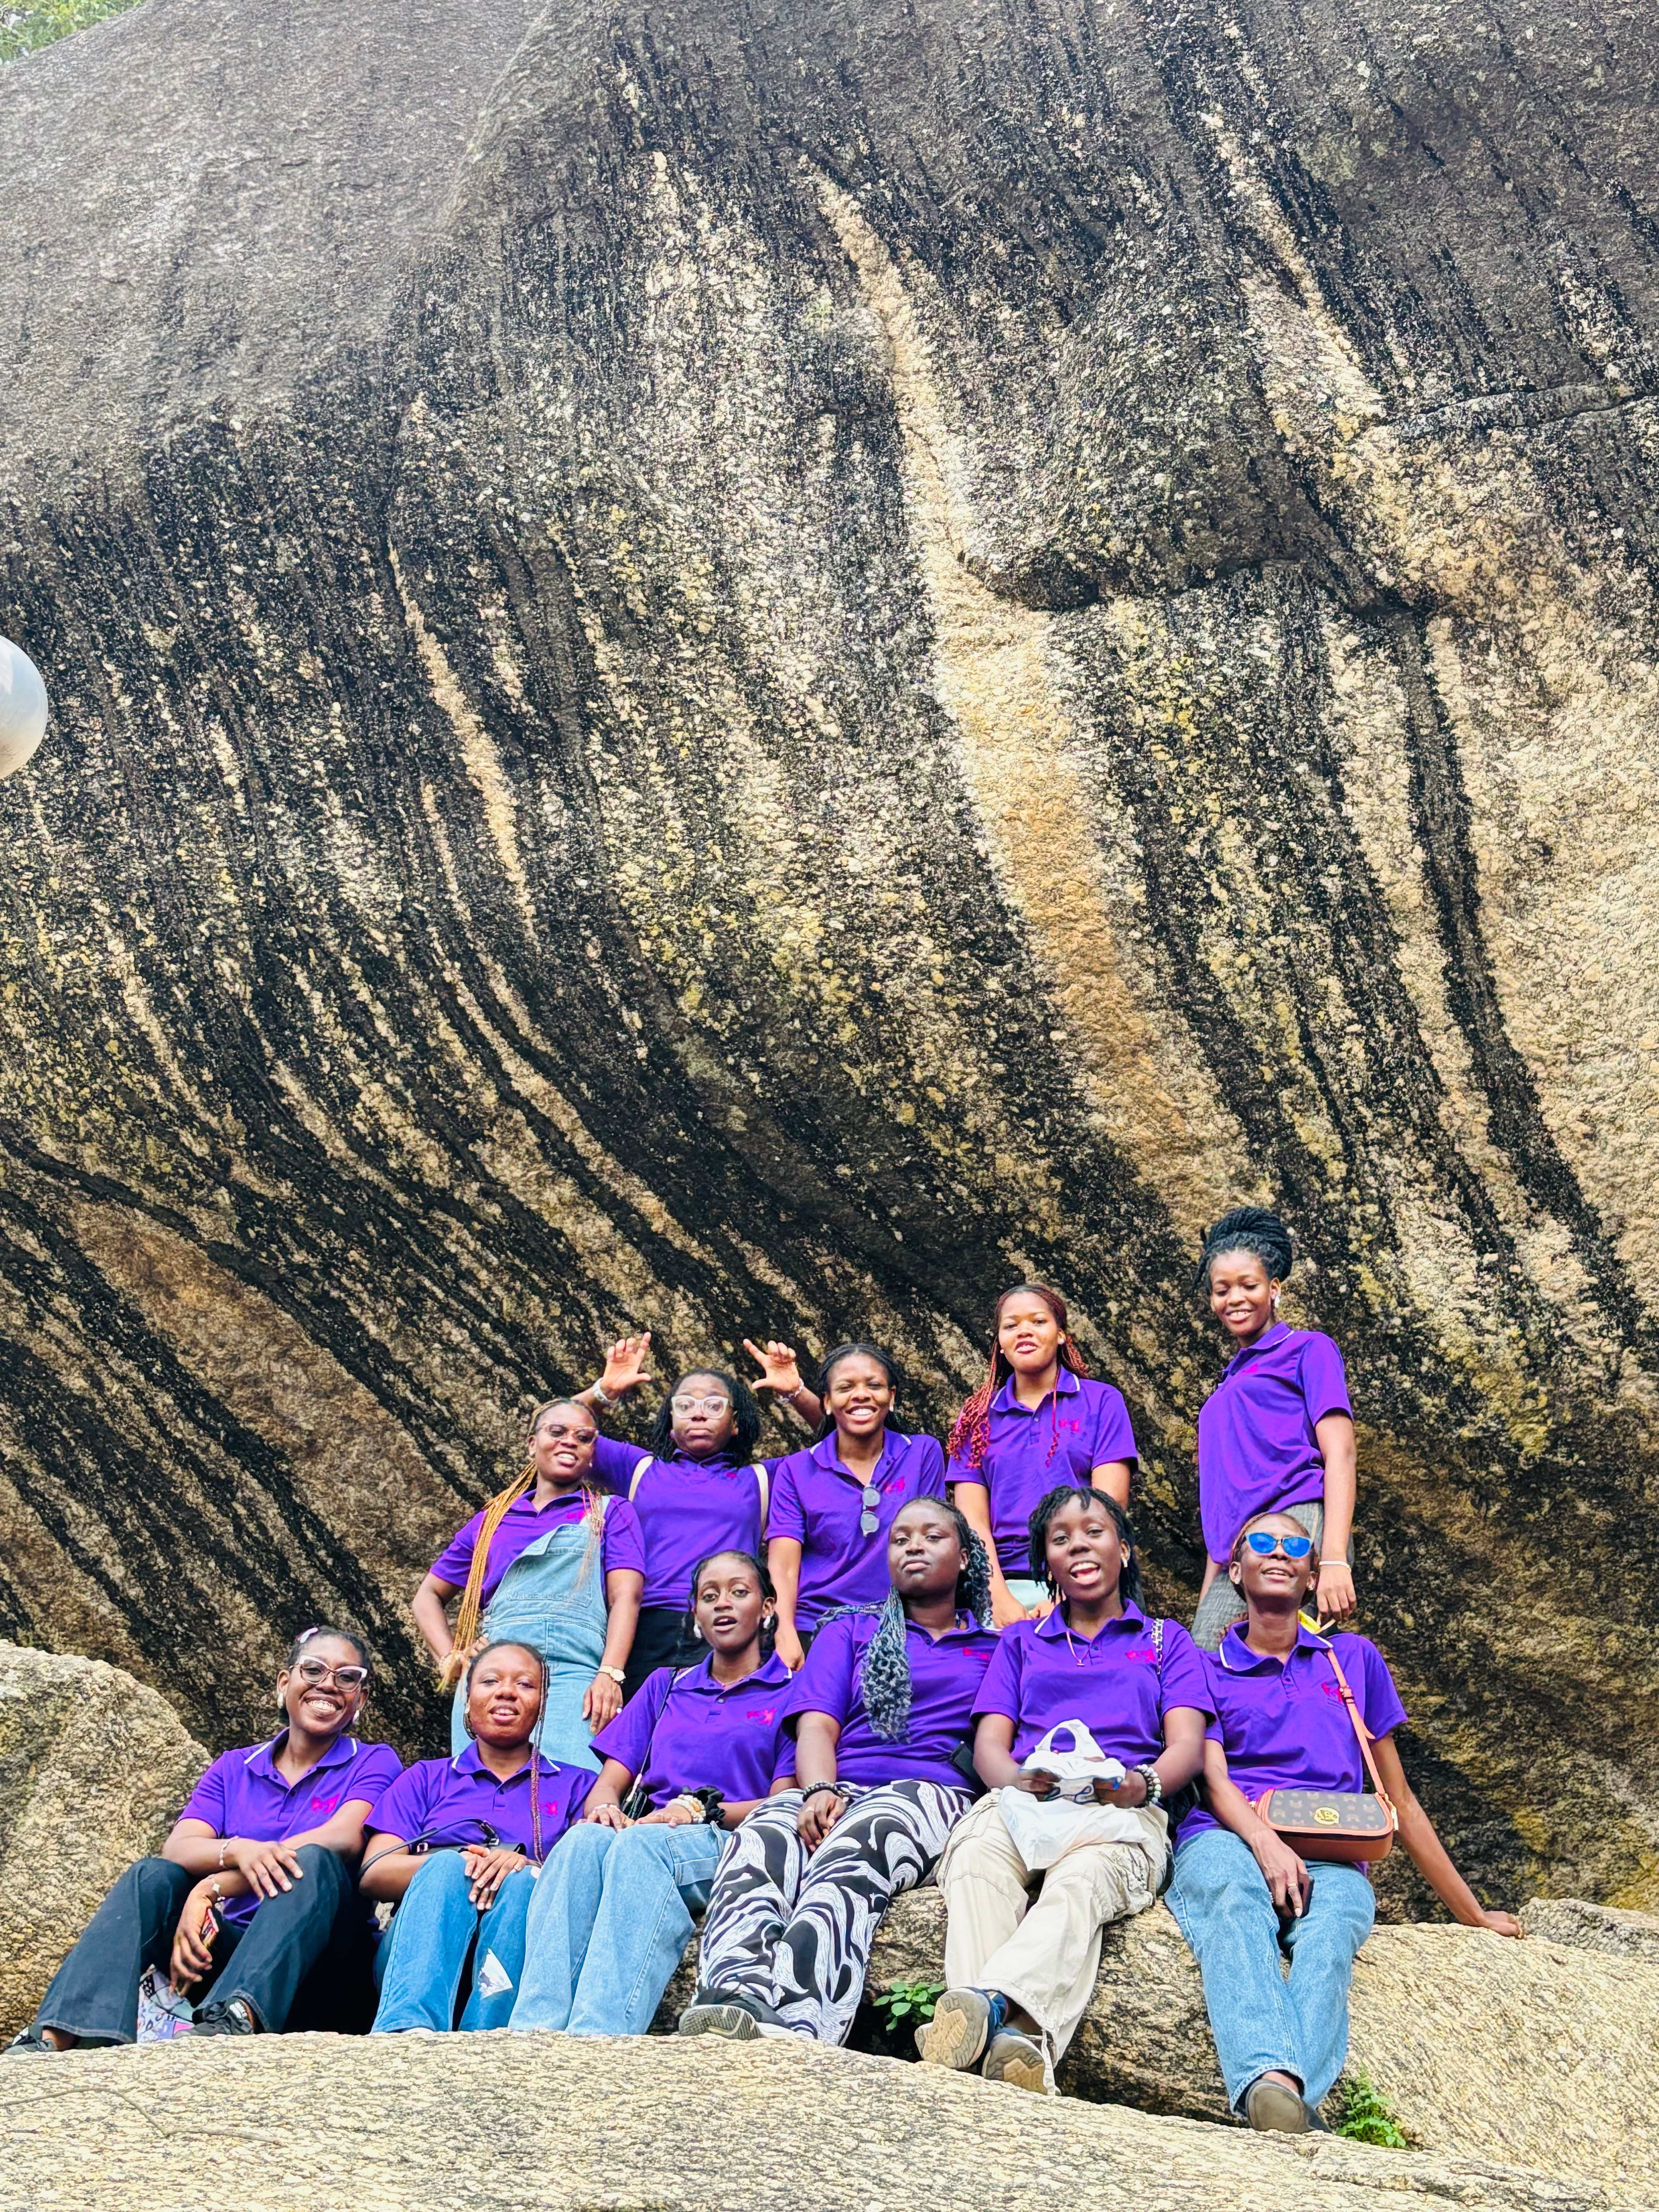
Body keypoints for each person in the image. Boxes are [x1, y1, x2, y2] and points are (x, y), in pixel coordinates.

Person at [1166, 1511, 1521, 2131]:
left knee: (1330, 1936)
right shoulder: (1204, 1666)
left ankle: (1282, 2100)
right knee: (1232, 1899)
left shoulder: (1350, 1659)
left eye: (1296, 1544)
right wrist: (1267, 1845)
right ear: (1235, 1568)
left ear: (1311, 1574)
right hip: (1227, 1834)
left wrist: (1474, 1915)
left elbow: (1400, 1800)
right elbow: (1215, 1781)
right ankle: (1275, 2084)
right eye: (1263, 1543)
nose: (1280, 1553)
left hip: (1335, 1850)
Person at [919, 1486, 1210, 2095]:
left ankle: (985, 2011)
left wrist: (1143, 1784)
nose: (1078, 1544)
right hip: (1030, 1800)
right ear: (1046, 1564)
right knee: (975, 1858)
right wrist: (1017, 1782)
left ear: (1125, 1551)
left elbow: (1187, 1745)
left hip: (1122, 1806)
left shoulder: (1165, 1640)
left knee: (1079, 1884)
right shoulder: (1022, 1642)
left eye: (1095, 1532)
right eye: (1060, 1538)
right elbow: (989, 1749)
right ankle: (1016, 2046)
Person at [677, 1496, 996, 2047]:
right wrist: (818, 1789)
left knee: (860, 1843)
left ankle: (801, 2027)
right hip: (840, 1783)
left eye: (932, 1537)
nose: (913, 1546)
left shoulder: (1001, 1647)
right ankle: (734, 1998)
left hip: (934, 1791)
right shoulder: (850, 1631)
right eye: (900, 1539)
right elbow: (817, 1727)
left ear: (966, 1558)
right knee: (764, 1833)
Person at [9, 1629, 401, 2048]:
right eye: (314, 1670)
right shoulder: (235, 1767)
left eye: (347, 1678)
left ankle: (236, 2018)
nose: (328, 1684)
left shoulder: (375, 1762)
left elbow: (343, 1837)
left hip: (324, 1970)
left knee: (316, 1859)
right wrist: (238, 1851)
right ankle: (63, 2032)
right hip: (232, 1959)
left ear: (360, 1698)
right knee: (151, 1877)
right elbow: (180, 1847)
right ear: (285, 1683)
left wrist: (211, 1888)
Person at [509, 1549, 795, 2036]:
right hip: (647, 1830)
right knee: (581, 1842)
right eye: (710, 1596)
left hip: (727, 1839)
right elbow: (609, 1785)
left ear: (768, 1608)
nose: (723, 1605)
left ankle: (598, 2035)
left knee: (642, 1848)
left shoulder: (791, 1691)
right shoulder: (667, 1685)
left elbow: (787, 1804)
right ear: (695, 1614)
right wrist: (603, 1811)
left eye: (739, 1593)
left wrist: (700, 1810)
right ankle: (534, 2031)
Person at [364, 1641, 594, 2033]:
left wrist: (527, 1866)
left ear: (542, 1706)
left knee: (524, 1882)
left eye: (525, 1684)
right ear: (467, 1700)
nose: (507, 1692)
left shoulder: (580, 1786)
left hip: (522, 1955)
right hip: (421, 1953)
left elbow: (586, 1884)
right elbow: (374, 1873)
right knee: (445, 1867)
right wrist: (463, 1861)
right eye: (490, 1681)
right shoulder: (427, 1777)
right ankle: (406, 2030)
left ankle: (491, 2039)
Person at [577, 1333, 814, 1693]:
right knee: (641, 1742)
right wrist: (603, 1391)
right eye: (684, 1406)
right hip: (644, 1629)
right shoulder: (638, 1469)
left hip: (730, 1626)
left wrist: (796, 1393)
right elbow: (553, 1432)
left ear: (736, 1424)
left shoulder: (765, 1479)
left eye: (715, 1406)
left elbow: (841, 1445)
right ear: (670, 1426)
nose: (699, 1412)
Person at [411, 1399, 645, 1763]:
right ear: (532, 1445)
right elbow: (427, 1596)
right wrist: (451, 1657)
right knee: (483, 1787)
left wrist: (610, 1675)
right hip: (493, 1675)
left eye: (584, 1438)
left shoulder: (612, 1512)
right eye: (557, 1432)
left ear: (593, 1456)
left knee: (575, 1786)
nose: (570, 1442)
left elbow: (626, 1598)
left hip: (573, 1674)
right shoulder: (493, 1519)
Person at [1189, 1207, 1356, 1652]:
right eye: (1222, 1290)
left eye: (1249, 1285)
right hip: (1237, 1551)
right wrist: (1209, 1597)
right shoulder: (1221, 1393)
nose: (1235, 1299)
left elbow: (1340, 1453)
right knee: (1205, 1659)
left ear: (1274, 1289)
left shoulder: (1307, 1349)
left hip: (1295, 1521)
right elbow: (1221, 1505)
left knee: (1230, 1668)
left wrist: (1335, 1559)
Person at [947, 1284, 1138, 1627]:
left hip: (1088, 1577)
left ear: (1061, 1335)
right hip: (1002, 1584)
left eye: (1038, 1321)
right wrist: (998, 1598)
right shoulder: (976, 1417)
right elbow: (972, 1521)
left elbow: (1109, 1507)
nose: (1024, 1331)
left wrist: (1069, 1595)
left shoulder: (1101, 1402)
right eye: (1011, 1325)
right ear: (1000, 1345)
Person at [767, 1343, 948, 1672]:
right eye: (846, 1388)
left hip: (902, 1626)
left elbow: (936, 1545)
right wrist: (785, 1631)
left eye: (874, 1386)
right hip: (818, 1629)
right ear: (826, 1402)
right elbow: (784, 1566)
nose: (861, 1395)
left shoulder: (922, 1453)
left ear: (892, 1398)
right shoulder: (795, 1470)